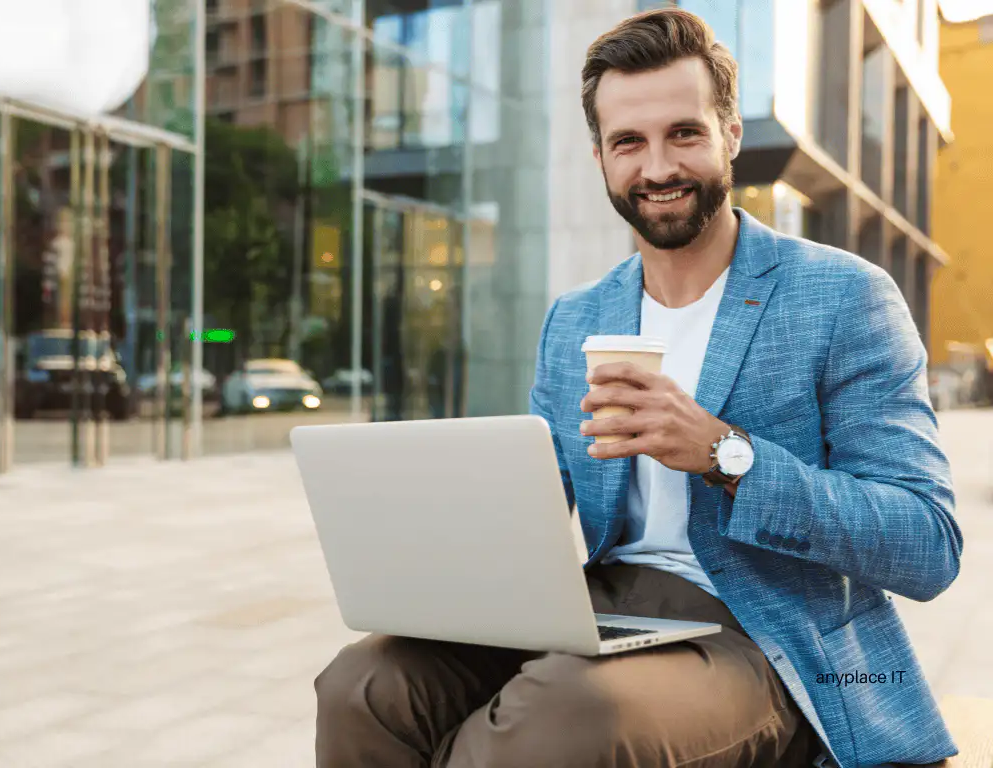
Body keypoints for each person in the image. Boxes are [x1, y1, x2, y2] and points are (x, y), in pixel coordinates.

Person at [314, 8, 963, 767]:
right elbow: (537, 498)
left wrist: (726, 453)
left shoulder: (843, 296)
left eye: (683, 133)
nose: (657, 167)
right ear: (600, 157)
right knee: (363, 684)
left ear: (730, 135)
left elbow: (927, 543)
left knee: (550, 724)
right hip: (608, 603)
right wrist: (438, 530)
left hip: (764, 630)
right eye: (629, 142)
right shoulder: (577, 318)